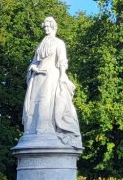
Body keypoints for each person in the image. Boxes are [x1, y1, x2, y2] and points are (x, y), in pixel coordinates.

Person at [22, 16, 82, 148]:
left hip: (51, 75)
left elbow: (62, 61)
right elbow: (34, 61)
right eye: (45, 27)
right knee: (34, 102)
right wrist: (33, 68)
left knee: (47, 101)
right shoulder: (41, 44)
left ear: (54, 27)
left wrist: (62, 76)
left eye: (49, 27)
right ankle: (33, 129)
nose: (46, 29)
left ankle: (45, 129)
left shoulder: (59, 43)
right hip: (38, 76)